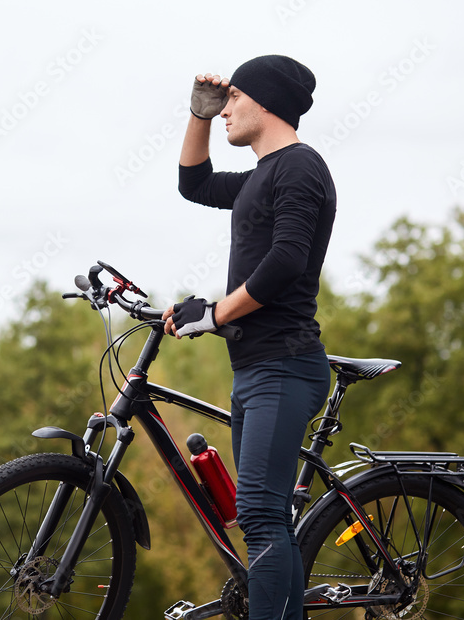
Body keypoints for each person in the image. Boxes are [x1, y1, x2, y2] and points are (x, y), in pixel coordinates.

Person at [161, 54, 337, 620]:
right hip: (256, 368)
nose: (227, 108)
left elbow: (285, 262)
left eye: (234, 99)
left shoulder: (300, 167)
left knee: (260, 513)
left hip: (285, 366)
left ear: (266, 103)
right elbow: (195, 183)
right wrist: (199, 115)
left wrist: (214, 313)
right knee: (261, 515)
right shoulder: (263, 174)